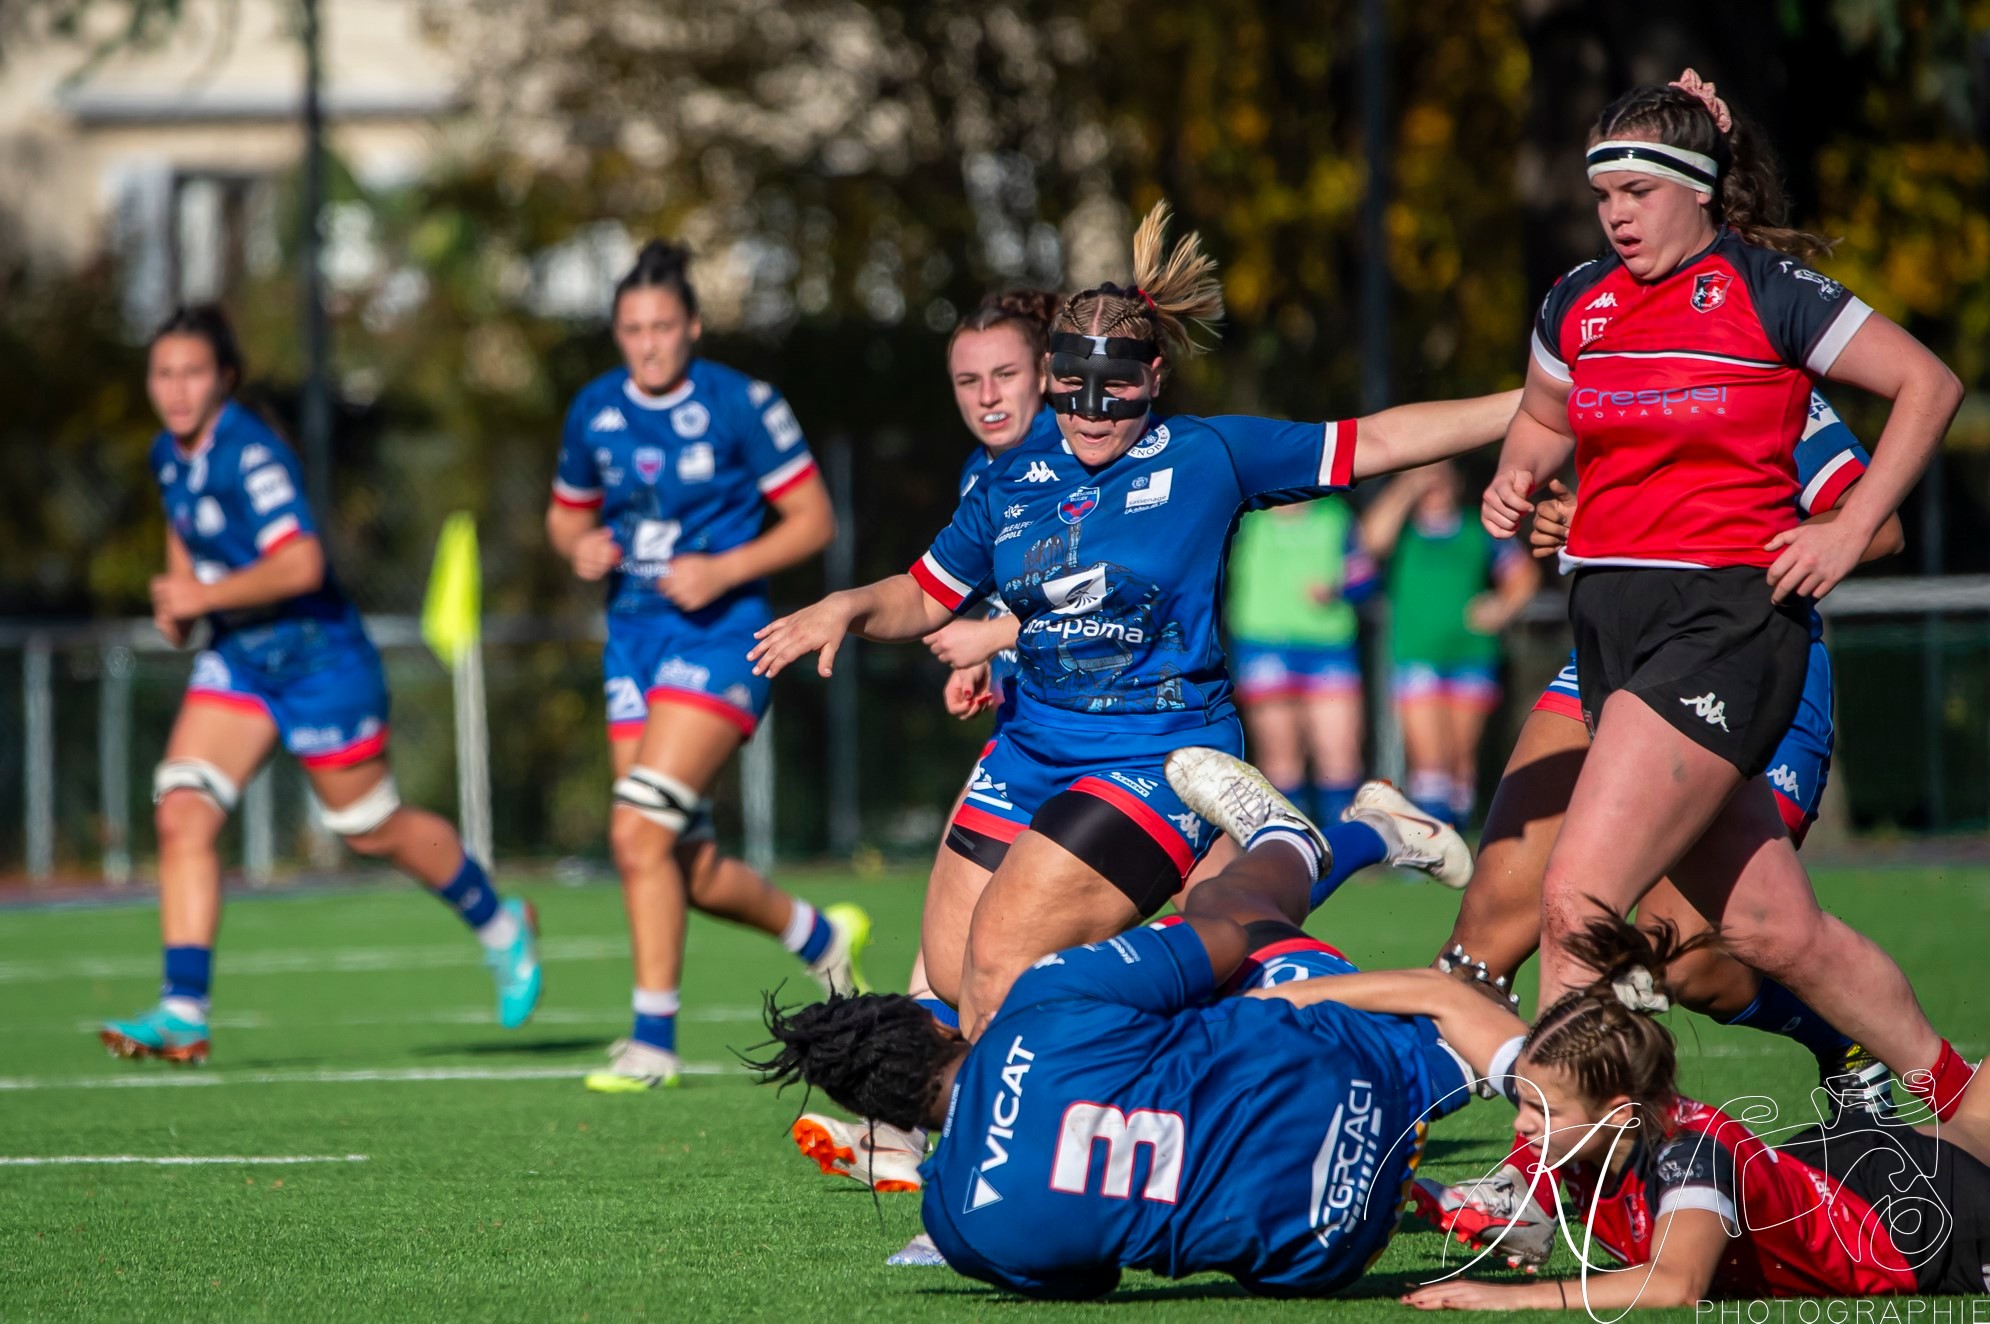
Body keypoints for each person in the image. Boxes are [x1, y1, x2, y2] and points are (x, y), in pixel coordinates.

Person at [752, 200, 1507, 1040]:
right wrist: (849, 605)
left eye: (1115, 391)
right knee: (966, 985)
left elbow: (1377, 441)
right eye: (1072, 390)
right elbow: (926, 594)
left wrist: (1543, 401)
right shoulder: (1010, 479)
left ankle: (1299, 1049)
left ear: (1154, 377)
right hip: (1029, 746)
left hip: (1156, 751)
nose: (1091, 412)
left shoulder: (1207, 455)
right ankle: (1363, 838)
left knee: (1012, 970)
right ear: (1051, 375)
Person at [1481, 70, 1969, 1114]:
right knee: (1769, 932)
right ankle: (1963, 1099)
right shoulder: (1578, 302)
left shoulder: (1764, 292)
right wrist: (1516, 476)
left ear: (1700, 186)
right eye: (1602, 194)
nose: (1616, 215)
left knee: (1576, 904)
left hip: (1722, 627)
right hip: (1611, 634)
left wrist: (1845, 530)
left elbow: (1928, 384)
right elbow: (1541, 417)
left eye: (1638, 192)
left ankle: (1552, 1172)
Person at [748, 747, 1494, 1300]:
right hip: (1365, 1090)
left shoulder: (954, 1224)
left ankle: (1445, 1038)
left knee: (1192, 1038)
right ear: (938, 1027)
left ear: (888, 1113)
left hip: (1328, 1251)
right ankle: (1313, 838)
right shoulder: (1041, 1003)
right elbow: (1223, 942)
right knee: (1225, 918)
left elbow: (1091, 1279)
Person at [101, 305, 541, 1064]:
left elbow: (301, 563)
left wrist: (204, 594)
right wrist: (180, 600)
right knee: (182, 812)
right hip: (242, 661)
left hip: (319, 661)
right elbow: (184, 533)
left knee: (370, 827)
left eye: (193, 373)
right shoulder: (168, 453)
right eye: (163, 373)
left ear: (225, 378)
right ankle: (182, 1011)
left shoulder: (252, 455)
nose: (176, 389)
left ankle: (502, 924)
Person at [1439, 390, 1902, 1090]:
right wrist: (1573, 521)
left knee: (1688, 962)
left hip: (1750, 660)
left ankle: (1855, 1045)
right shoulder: (1596, 355)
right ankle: (1394, 1130)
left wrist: (1680, 544)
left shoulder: (1763, 366)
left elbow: (1878, 525)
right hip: (1615, 656)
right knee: (1481, 942)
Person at [1258, 919, 1990, 1309]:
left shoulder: (1688, 1154)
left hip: (1928, 1223)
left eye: (1540, 1112)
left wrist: (1509, 1300)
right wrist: (1257, 1008)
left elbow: (1674, 1285)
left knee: (1977, 1133)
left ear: (1616, 1114)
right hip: (1835, 1171)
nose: (1519, 1127)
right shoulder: (1585, 1101)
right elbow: (1441, 995)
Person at [544, 240, 867, 1092]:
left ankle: (653, 1045)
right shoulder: (594, 409)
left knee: (636, 832)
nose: (647, 345)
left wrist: (722, 570)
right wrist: (579, 547)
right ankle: (819, 937)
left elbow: (814, 520)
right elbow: (564, 517)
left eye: (662, 327)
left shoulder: (741, 403)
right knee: (676, 860)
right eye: (632, 330)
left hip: (725, 637)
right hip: (633, 641)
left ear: (691, 327)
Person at [792, 289, 1068, 1191]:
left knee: (1232, 922)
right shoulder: (982, 474)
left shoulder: (1080, 454)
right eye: (967, 381)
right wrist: (989, 657)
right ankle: (898, 1128)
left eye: (1005, 375)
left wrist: (997, 633)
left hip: (1127, 740)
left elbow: (1120, 593)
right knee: (943, 953)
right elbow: (985, 592)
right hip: (1031, 733)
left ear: (1047, 375)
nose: (987, 396)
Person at [1363, 462, 1539, 825]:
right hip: (1416, 655)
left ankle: (1456, 836)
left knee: (1461, 759)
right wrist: (1407, 486)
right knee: (1430, 759)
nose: (1434, 484)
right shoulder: (1404, 531)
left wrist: (1502, 606)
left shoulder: (1477, 530)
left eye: (1442, 475)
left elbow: (1523, 575)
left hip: (1471, 654)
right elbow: (1370, 542)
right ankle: (1431, 839)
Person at [1225, 494, 1376, 822]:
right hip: (1263, 645)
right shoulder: (1247, 515)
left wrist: (1338, 588)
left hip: (1329, 646)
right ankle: (1288, 840)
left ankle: (1340, 842)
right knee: (1280, 757)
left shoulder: (1334, 514)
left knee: (1340, 753)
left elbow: (1364, 576)